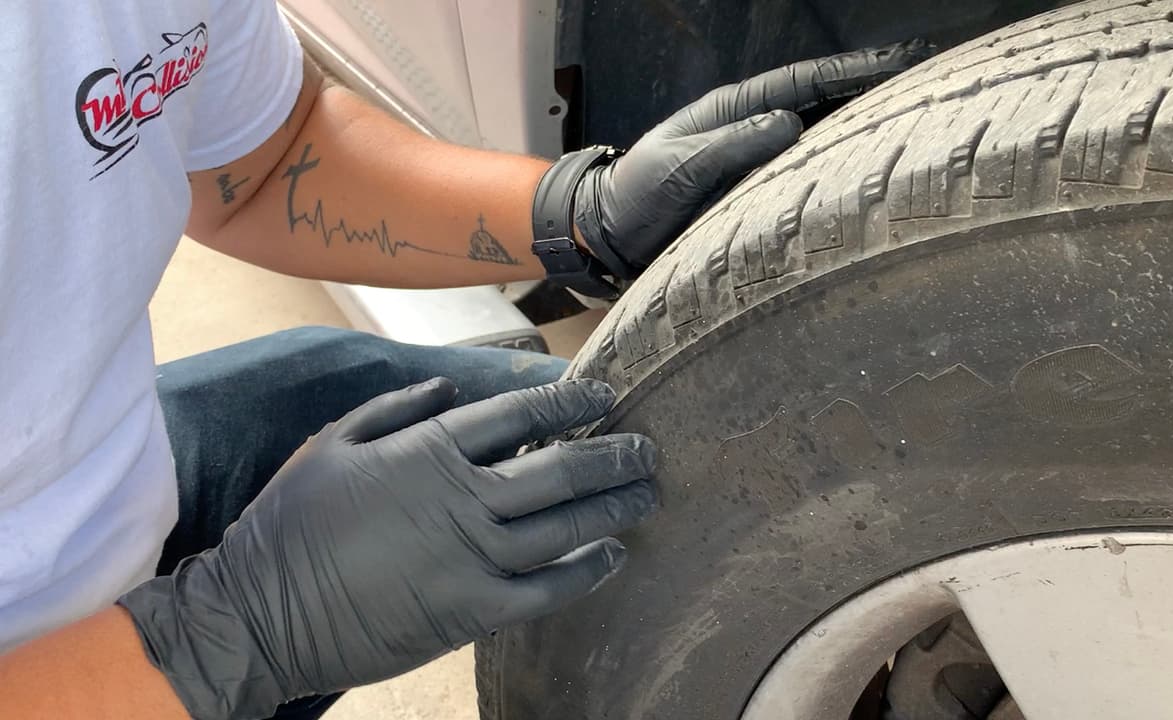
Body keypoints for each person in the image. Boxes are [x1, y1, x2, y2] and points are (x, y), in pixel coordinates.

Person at [0, 2, 927, 718]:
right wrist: (226, 635)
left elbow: (267, 163)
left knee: (615, 433)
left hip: (87, 489)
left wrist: (574, 216)